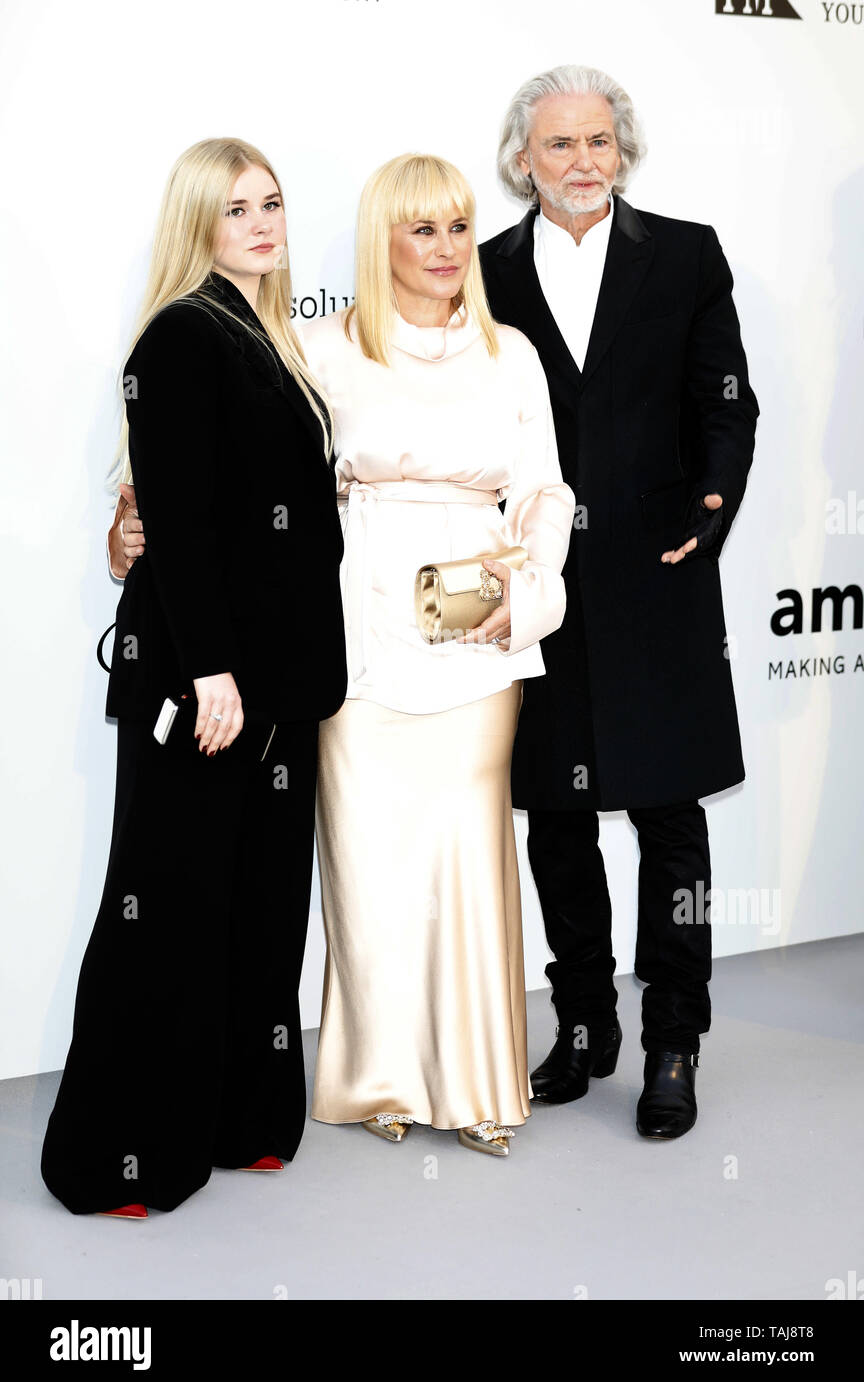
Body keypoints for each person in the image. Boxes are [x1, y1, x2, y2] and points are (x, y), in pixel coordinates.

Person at [113, 153, 575, 1158]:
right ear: (382, 239)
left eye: (459, 227)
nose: (447, 249)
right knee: (366, 864)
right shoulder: (314, 346)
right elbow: (223, 479)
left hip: (477, 642)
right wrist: (133, 537)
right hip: (348, 636)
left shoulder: (515, 356)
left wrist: (526, 597)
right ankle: (380, 1081)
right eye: (422, 229)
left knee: (465, 852)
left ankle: (480, 1080)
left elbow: (544, 497)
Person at [42, 138, 347, 1217]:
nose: (262, 224)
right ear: (198, 224)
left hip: (281, 685)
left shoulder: (271, 332)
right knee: (165, 910)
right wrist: (212, 669)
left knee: (260, 908)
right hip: (202, 682)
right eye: (236, 209)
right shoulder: (182, 332)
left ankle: (243, 1116)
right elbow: (174, 514)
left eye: (271, 203)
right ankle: (119, 1152)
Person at [478, 65, 758, 1138]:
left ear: (623, 151)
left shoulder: (686, 254)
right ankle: (586, 1026)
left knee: (671, 823)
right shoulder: (487, 270)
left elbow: (725, 399)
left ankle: (675, 1040)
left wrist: (714, 505)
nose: (584, 161)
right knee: (556, 816)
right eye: (561, 145)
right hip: (540, 587)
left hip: (661, 575)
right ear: (523, 160)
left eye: (600, 141)